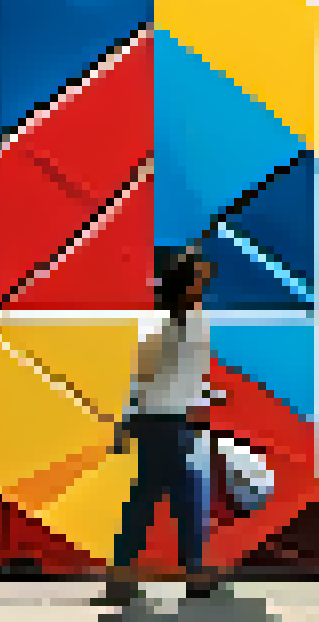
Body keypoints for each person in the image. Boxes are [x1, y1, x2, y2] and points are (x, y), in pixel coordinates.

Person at [100, 247, 222, 606]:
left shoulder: (197, 323)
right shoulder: (158, 325)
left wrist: (207, 395)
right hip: (156, 420)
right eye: (198, 279)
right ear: (181, 284)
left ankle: (122, 576)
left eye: (204, 279)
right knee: (187, 492)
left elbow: (190, 374)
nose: (203, 286)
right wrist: (125, 422)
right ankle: (190, 573)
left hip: (177, 420)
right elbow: (141, 378)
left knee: (151, 496)